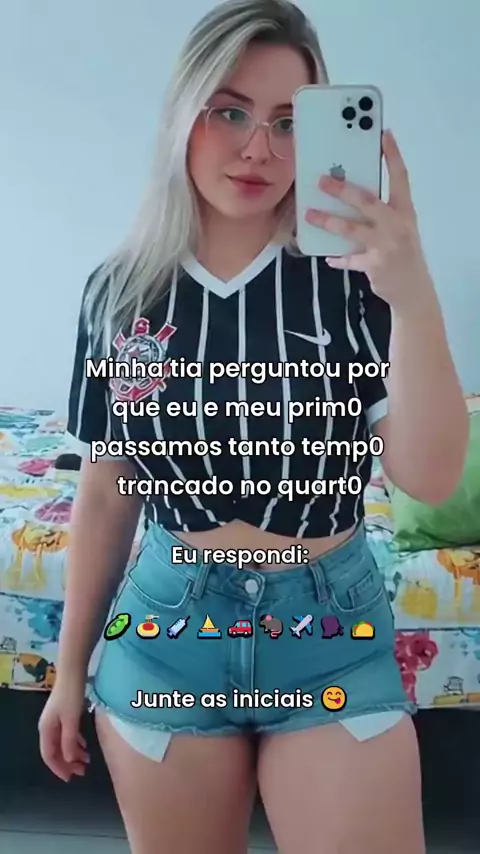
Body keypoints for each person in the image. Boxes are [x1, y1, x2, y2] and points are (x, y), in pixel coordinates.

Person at [38, 1, 468, 852]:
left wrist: (414, 293)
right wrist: (65, 673)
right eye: (229, 112)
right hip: (168, 635)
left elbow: (429, 476)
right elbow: (109, 490)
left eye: (287, 122)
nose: (258, 149)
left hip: (329, 635)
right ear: (183, 116)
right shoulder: (120, 292)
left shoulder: (356, 279)